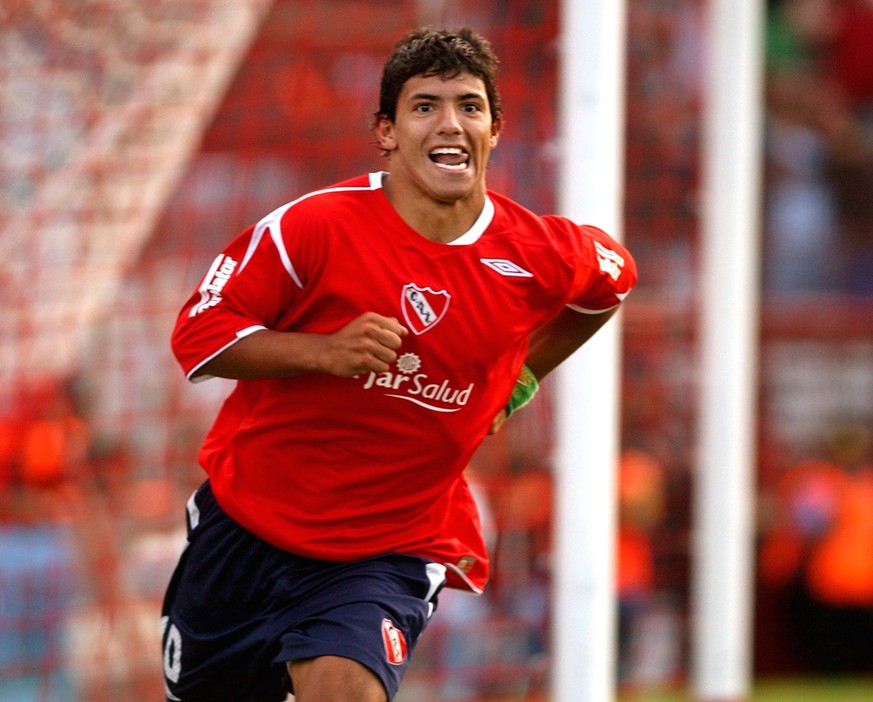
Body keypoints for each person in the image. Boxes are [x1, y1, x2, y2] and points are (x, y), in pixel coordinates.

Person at [161, 26, 637, 702]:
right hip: (246, 526)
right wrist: (324, 353)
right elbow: (197, 335)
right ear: (385, 131)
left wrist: (519, 378)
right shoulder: (313, 227)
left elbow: (610, 282)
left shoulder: (535, 252)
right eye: (425, 106)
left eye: (469, 107)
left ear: (495, 129)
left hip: (386, 550)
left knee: (345, 690)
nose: (450, 123)